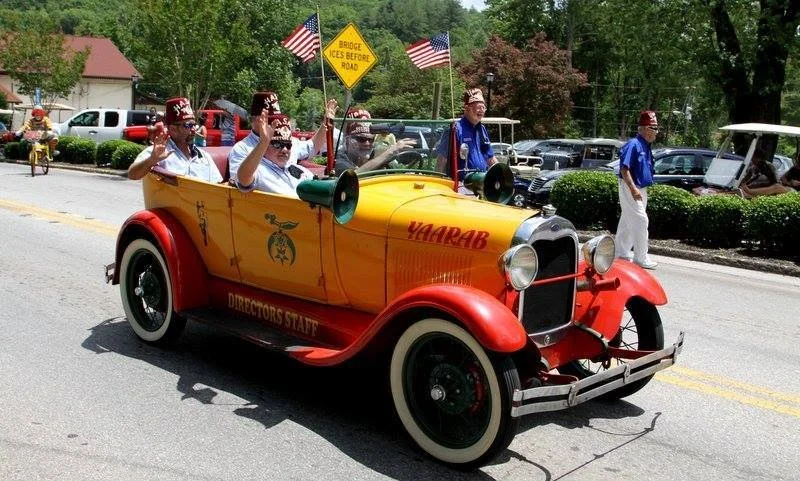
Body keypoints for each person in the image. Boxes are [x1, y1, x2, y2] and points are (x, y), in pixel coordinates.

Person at [127, 97, 222, 183]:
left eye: (194, 125)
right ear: (173, 129)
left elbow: (218, 185)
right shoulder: (158, 153)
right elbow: (132, 174)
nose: (193, 129)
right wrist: (152, 160)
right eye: (188, 125)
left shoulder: (204, 157)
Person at [229, 113, 314, 196]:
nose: (284, 149)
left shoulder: (300, 170)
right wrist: (263, 143)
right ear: (265, 147)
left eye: (288, 145)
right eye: (277, 144)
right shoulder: (260, 171)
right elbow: (243, 180)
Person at [615, 110, 659, 269]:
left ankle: (621, 253)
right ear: (647, 129)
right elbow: (624, 169)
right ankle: (641, 258)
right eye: (655, 128)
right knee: (641, 221)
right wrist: (633, 189)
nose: (657, 132)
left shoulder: (645, 146)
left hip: (641, 189)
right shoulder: (633, 144)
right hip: (631, 188)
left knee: (628, 221)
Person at [435, 88, 498, 178]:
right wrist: (437, 181)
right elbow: (442, 159)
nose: (481, 110)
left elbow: (490, 158)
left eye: (483, 107)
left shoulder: (482, 130)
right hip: (460, 184)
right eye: (478, 107)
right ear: (467, 109)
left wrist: (503, 174)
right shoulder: (454, 129)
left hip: (481, 183)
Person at [334, 107, 415, 174]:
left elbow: (395, 167)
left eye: (371, 139)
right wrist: (390, 151)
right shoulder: (340, 160)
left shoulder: (376, 151)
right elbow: (355, 175)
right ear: (348, 140)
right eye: (361, 139)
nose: (367, 143)